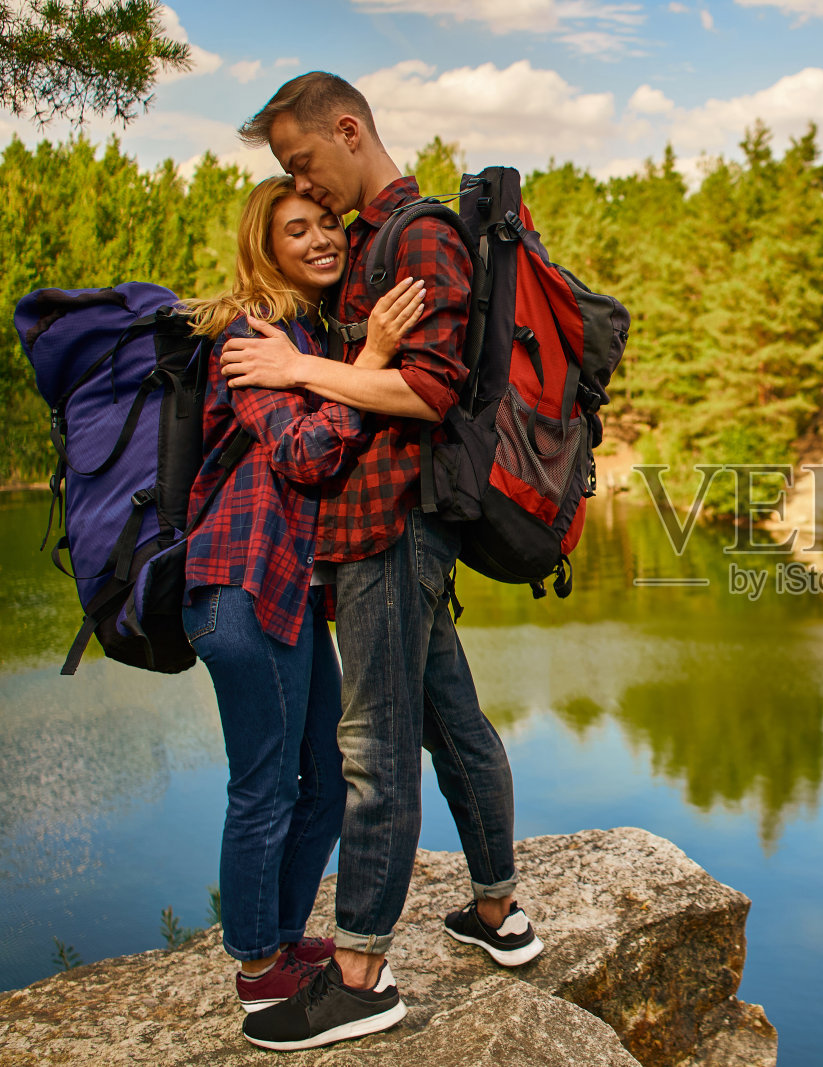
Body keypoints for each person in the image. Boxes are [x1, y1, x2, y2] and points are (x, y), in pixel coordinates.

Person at [219, 72, 542, 1053]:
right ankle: (498, 913)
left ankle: (360, 976)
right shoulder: (368, 243)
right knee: (451, 719)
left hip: (389, 526)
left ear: (349, 129)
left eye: (302, 160)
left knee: (374, 747)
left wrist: (298, 367)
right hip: (382, 526)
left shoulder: (417, 235)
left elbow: (430, 391)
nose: (300, 182)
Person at [182, 175, 425, 1017]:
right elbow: (304, 451)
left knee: (324, 775)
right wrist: (371, 363)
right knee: (265, 784)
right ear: (266, 246)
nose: (322, 237)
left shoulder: (307, 337)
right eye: (297, 229)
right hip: (240, 584)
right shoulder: (252, 335)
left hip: (286, 592)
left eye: (328, 222)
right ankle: (258, 969)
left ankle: (283, 934)